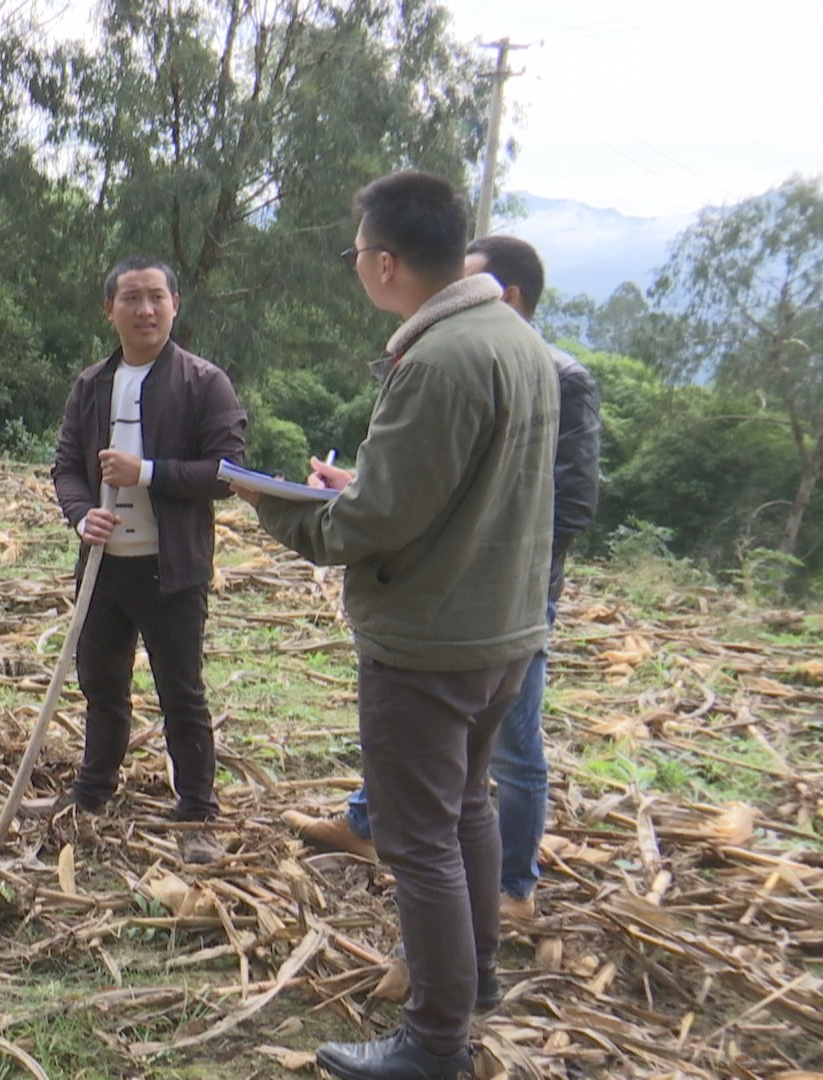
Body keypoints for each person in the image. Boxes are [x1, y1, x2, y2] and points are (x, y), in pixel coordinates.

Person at [239, 171, 557, 1080]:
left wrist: (278, 506)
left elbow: (373, 527)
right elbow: (445, 485)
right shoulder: (514, 338)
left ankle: (435, 1043)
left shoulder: (440, 358)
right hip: (501, 632)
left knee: (418, 841)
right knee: (466, 810)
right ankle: (478, 977)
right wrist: (362, 489)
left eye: (356, 255)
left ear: (382, 262)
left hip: (430, 641)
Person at [287, 234, 602, 923]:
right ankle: (367, 826)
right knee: (419, 750)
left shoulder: (547, 373)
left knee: (505, 756)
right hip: (450, 599)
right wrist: (363, 484)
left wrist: (301, 517)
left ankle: (511, 888)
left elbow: (564, 503)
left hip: (496, 601)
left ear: (507, 295)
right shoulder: (475, 354)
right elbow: (435, 482)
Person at [46, 255, 248, 865]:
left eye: (156, 297)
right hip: (105, 568)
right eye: (131, 298)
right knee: (101, 685)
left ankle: (197, 810)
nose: (145, 310)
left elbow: (226, 472)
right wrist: (83, 516)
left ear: (175, 304)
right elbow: (65, 468)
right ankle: (93, 790)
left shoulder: (203, 382)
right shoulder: (92, 385)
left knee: (181, 692)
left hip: (172, 568)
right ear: (110, 309)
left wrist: (148, 472)